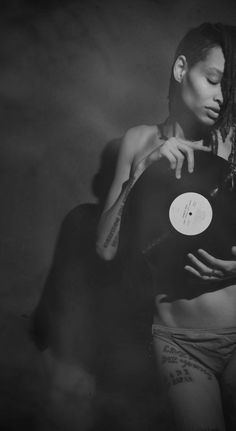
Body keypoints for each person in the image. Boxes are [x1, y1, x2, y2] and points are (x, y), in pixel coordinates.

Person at [96, 23, 236, 430]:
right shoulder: (138, 141)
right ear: (180, 69)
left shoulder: (234, 144)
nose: (221, 97)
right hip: (178, 345)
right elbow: (104, 250)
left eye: (228, 86)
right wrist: (138, 174)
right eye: (212, 80)